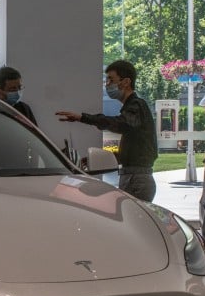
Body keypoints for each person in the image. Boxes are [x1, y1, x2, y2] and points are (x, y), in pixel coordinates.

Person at [55, 60, 158, 202]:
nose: (107, 84)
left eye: (111, 79)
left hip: (136, 180)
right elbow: (135, 149)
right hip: (132, 177)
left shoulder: (136, 105)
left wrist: (83, 117)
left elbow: (121, 124)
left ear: (126, 82)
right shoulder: (133, 108)